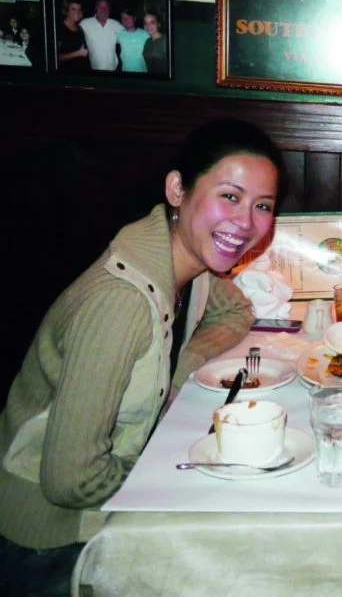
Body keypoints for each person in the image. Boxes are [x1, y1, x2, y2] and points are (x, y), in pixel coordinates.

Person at [0, 119, 288, 596]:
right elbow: (70, 481)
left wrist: (180, 366)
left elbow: (236, 311)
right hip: (49, 543)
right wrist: (175, 469)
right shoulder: (123, 302)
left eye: (262, 206)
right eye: (230, 196)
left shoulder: (192, 266)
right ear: (177, 189)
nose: (245, 222)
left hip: (95, 513)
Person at [79, 0, 124, 71]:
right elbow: (73, 32)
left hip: (114, 68)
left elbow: (127, 36)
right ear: (96, 8)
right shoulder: (85, 23)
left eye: (106, 7)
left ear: (109, 10)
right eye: (101, 6)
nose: (104, 9)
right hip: (94, 68)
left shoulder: (115, 24)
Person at [57, 0, 90, 74]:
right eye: (73, 9)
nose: (77, 12)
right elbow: (55, 57)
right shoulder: (59, 29)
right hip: (66, 73)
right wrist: (78, 53)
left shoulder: (80, 29)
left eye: (79, 9)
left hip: (81, 71)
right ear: (66, 11)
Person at [116, 8, 149, 73]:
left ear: (134, 18)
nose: (126, 19)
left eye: (129, 17)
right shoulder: (119, 34)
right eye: (123, 18)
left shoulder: (145, 34)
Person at [142, 9, 168, 74]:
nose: (148, 26)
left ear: (158, 24)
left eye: (152, 22)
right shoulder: (148, 41)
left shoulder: (165, 41)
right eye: (145, 23)